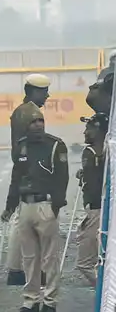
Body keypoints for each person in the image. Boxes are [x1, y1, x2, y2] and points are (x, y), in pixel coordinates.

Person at [1, 112, 68, 312]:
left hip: (45, 205)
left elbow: (62, 178)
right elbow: (16, 178)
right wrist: (10, 207)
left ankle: (49, 301)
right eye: (33, 122)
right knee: (29, 257)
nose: (38, 125)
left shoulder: (56, 145)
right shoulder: (21, 146)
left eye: (41, 121)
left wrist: (56, 205)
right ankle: (31, 300)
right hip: (25, 206)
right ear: (25, 125)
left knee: (50, 258)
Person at [5, 73, 52, 285]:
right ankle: (19, 269)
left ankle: (16, 269)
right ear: (34, 91)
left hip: (23, 165)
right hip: (30, 167)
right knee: (27, 220)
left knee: (20, 218)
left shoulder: (20, 110)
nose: (47, 95)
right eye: (44, 91)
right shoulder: (32, 113)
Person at [75, 111, 106, 286]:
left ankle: (107, 296)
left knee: (85, 263)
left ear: (100, 130)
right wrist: (86, 174)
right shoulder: (107, 152)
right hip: (103, 209)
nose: (85, 132)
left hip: (95, 210)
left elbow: (95, 186)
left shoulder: (91, 152)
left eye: (89, 128)